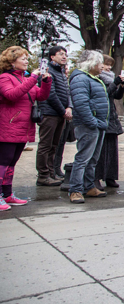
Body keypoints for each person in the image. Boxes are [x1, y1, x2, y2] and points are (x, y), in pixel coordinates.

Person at [0, 46, 52, 210]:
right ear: (12, 61)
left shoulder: (24, 79)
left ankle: (7, 194)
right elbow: (12, 95)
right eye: (23, 58)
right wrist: (33, 78)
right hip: (7, 127)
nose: (26, 61)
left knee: (11, 163)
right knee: (3, 162)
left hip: (23, 128)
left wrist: (45, 81)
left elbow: (41, 95)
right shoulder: (4, 78)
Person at [68, 50, 110, 203]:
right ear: (91, 63)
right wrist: (93, 122)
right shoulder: (81, 78)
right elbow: (81, 104)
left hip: (97, 124)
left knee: (92, 159)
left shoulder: (90, 78)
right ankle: (76, 190)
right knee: (83, 158)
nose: (102, 66)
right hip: (89, 125)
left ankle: (88, 186)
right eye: (100, 63)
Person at [36, 45, 72, 186]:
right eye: (60, 54)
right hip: (50, 113)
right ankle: (43, 175)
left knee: (54, 145)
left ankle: (51, 172)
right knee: (45, 145)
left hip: (60, 114)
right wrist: (63, 111)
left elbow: (66, 92)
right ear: (52, 57)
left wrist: (69, 106)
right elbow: (50, 95)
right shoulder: (48, 72)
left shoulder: (61, 73)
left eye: (65, 54)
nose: (64, 56)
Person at [94, 55, 124, 190]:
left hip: (111, 116)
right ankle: (96, 177)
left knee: (112, 149)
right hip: (101, 115)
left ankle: (110, 176)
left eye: (110, 65)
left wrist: (122, 86)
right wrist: (115, 83)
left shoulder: (110, 79)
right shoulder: (97, 79)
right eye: (106, 65)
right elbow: (103, 94)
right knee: (99, 150)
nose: (108, 68)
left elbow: (116, 96)